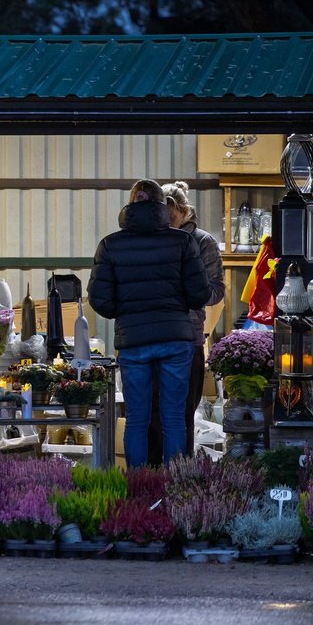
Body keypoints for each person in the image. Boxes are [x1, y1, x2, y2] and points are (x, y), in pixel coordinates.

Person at [88, 179, 212, 466]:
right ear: (163, 206)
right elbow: (201, 294)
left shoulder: (110, 245)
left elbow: (99, 299)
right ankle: (174, 486)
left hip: (133, 343)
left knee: (136, 420)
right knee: (173, 419)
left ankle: (137, 489)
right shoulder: (183, 242)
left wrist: (128, 312)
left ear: (130, 205)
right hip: (176, 341)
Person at [145, 181, 226, 464]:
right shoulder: (155, 239)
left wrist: (185, 292)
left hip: (189, 338)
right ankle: (152, 476)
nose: (167, 222)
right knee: (153, 413)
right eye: (162, 216)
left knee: (182, 414)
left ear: (183, 211)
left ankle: (180, 474)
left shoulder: (203, 242)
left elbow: (216, 290)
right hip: (155, 336)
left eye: (172, 216)